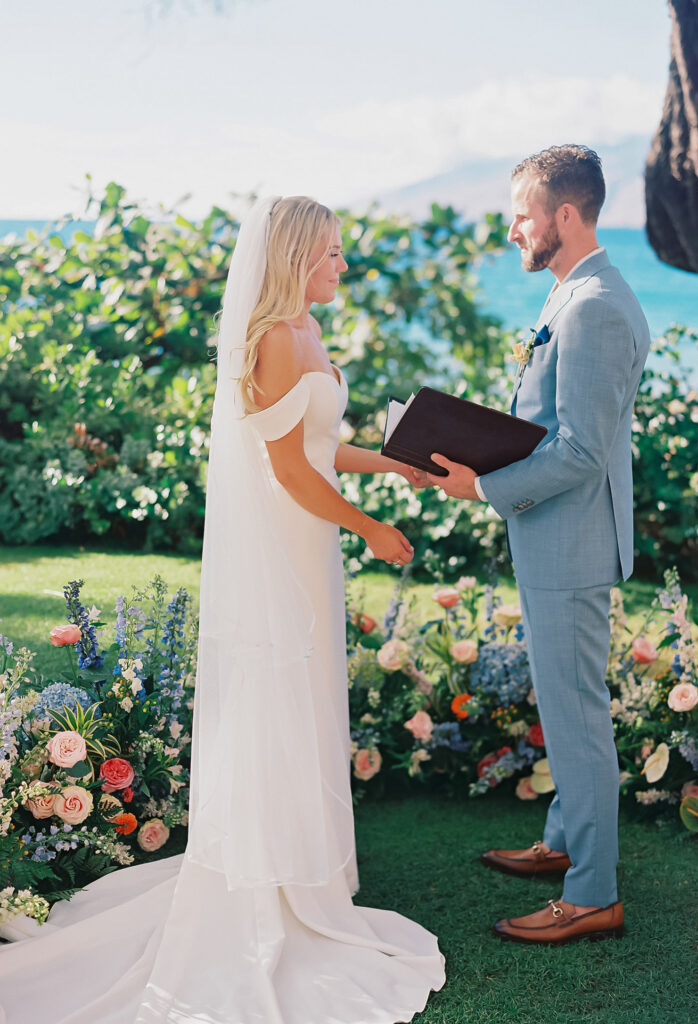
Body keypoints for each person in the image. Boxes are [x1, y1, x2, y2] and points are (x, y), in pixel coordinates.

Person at [0, 196, 444, 1022]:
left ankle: (309, 870)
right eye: (333, 255)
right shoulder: (275, 339)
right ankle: (269, 878)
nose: (343, 266)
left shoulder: (310, 331)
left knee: (308, 702)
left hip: (313, 545)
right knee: (275, 700)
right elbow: (288, 473)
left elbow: (321, 446)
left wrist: (393, 467)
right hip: (287, 543)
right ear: (296, 257)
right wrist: (372, 528)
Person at [427, 145, 651, 946]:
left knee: (578, 716)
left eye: (522, 213)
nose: (511, 227)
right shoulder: (574, 293)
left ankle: (592, 894)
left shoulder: (591, 305)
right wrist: (473, 451)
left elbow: (583, 451)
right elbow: (555, 430)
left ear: (565, 214)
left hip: (571, 545)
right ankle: (564, 846)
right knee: (566, 708)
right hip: (555, 539)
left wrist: (480, 486)